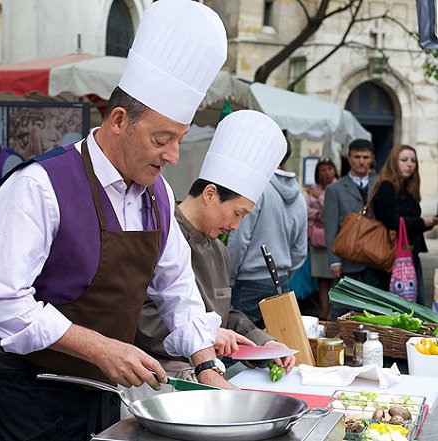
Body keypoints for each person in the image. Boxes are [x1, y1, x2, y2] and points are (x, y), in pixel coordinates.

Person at [0, 1, 229, 439]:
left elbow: (176, 290)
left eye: (179, 141)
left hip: (100, 392)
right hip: (26, 397)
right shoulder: (39, 186)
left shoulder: (159, 196)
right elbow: (0, 302)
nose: (173, 156)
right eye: (161, 139)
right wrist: (98, 346)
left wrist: (207, 366)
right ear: (119, 121)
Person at [133, 110, 296, 394]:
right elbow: (141, 315)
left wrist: (263, 342)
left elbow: (224, 313)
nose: (235, 225)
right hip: (160, 380)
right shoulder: (158, 232)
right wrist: (203, 337)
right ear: (210, 194)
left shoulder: (219, 251)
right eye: (237, 213)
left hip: (210, 374)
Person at [227, 137, 307, 329]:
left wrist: (229, 276)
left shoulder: (257, 188)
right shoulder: (300, 197)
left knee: (239, 348)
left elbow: (240, 238)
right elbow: (300, 251)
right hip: (282, 281)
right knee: (277, 348)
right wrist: (284, 270)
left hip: (249, 282)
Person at [367, 145, 438, 304]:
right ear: (394, 162)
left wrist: (428, 223)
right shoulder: (386, 185)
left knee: (414, 303)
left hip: (409, 253)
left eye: (413, 160)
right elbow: (390, 220)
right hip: (391, 254)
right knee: (401, 304)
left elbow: (407, 220)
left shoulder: (407, 187)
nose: (409, 164)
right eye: (404, 160)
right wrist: (421, 222)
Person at [324, 139, 377, 283]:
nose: (361, 161)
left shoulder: (380, 184)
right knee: (344, 305)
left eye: (365, 157)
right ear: (349, 158)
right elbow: (330, 228)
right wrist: (334, 261)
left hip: (375, 258)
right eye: (357, 157)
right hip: (347, 260)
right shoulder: (335, 189)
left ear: (371, 159)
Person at [305, 158, 339, 319]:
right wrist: (319, 214)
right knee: (321, 279)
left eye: (329, 169)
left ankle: (333, 311)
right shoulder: (313, 188)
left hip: (334, 241)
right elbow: (306, 210)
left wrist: (319, 197)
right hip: (317, 240)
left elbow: (332, 207)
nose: (326, 173)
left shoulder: (339, 187)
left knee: (334, 279)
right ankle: (323, 311)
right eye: (323, 170)